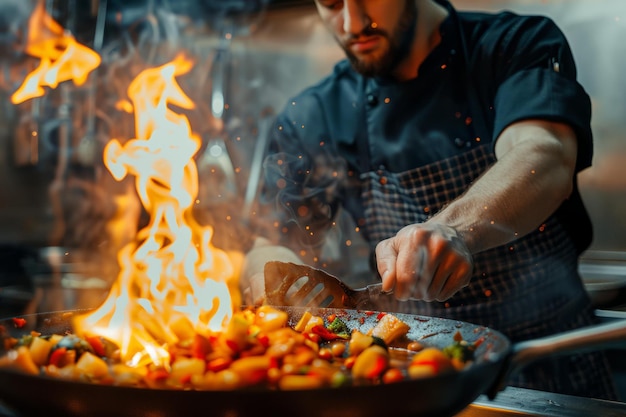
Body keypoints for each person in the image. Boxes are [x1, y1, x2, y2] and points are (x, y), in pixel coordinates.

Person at [240, 0, 618, 400]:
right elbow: (265, 244)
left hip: (549, 358)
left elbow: (544, 154)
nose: (352, 22)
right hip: (418, 374)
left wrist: (453, 230)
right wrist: (272, 285)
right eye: (332, 3)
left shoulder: (514, 44)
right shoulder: (314, 115)